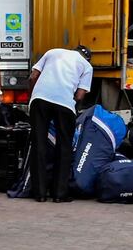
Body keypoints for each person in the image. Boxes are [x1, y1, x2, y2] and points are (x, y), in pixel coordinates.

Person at [28, 45, 93, 202]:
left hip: (40, 99)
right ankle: (59, 194)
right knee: (64, 147)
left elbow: (33, 76)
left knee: (39, 143)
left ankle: (40, 193)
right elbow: (79, 95)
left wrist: (34, 94)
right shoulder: (87, 66)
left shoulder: (52, 52)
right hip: (64, 104)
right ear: (87, 58)